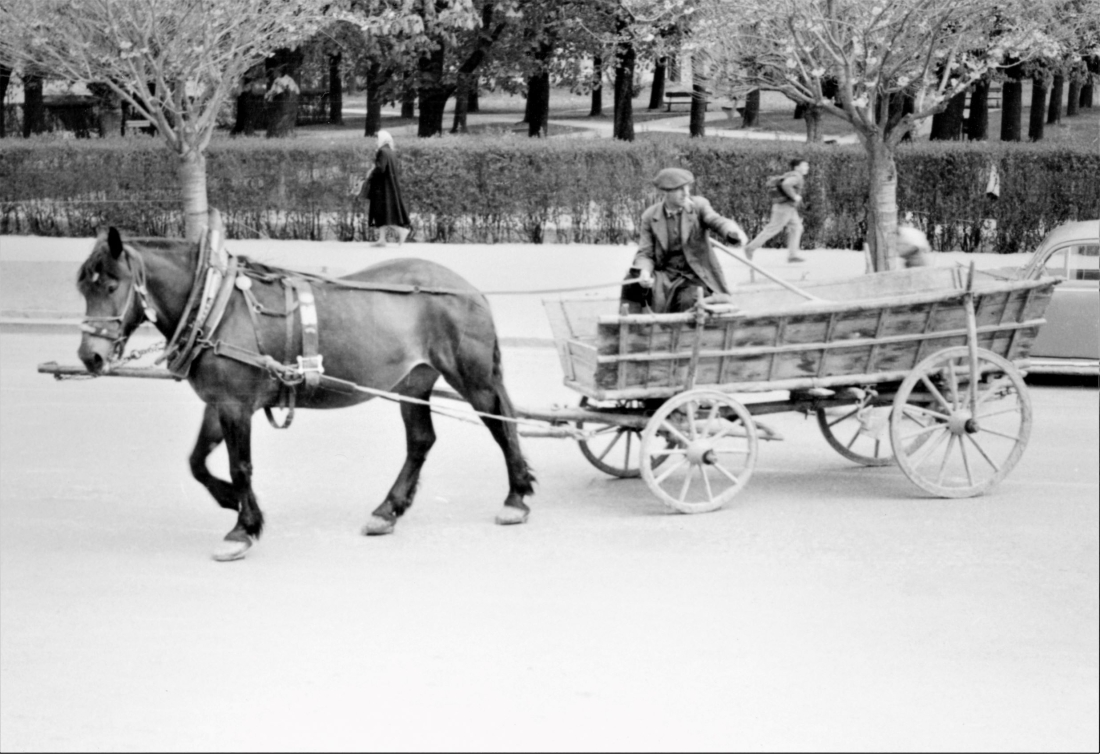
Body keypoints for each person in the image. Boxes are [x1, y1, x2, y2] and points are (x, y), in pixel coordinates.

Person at [622, 167, 749, 314]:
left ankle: (682, 329)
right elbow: (645, 253)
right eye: (679, 189)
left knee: (688, 300)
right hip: (664, 277)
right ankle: (632, 325)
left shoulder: (699, 206)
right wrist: (644, 272)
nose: (686, 193)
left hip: (694, 276)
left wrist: (731, 231)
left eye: (687, 187)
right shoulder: (650, 216)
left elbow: (715, 220)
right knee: (631, 282)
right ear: (666, 192)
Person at [744, 158, 810, 263]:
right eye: (804, 165)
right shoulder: (796, 176)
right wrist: (794, 196)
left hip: (788, 208)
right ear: (797, 167)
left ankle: (792, 255)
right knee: (772, 229)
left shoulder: (789, 174)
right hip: (784, 208)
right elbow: (786, 184)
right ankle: (750, 248)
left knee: (797, 227)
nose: (807, 167)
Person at [361, 130, 411, 246]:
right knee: (382, 211)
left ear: (381, 139)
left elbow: (381, 168)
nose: (375, 141)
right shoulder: (391, 151)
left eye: (376, 138)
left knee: (382, 211)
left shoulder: (382, 151)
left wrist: (370, 173)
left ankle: (401, 231)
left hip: (382, 187)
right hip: (389, 186)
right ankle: (382, 239)